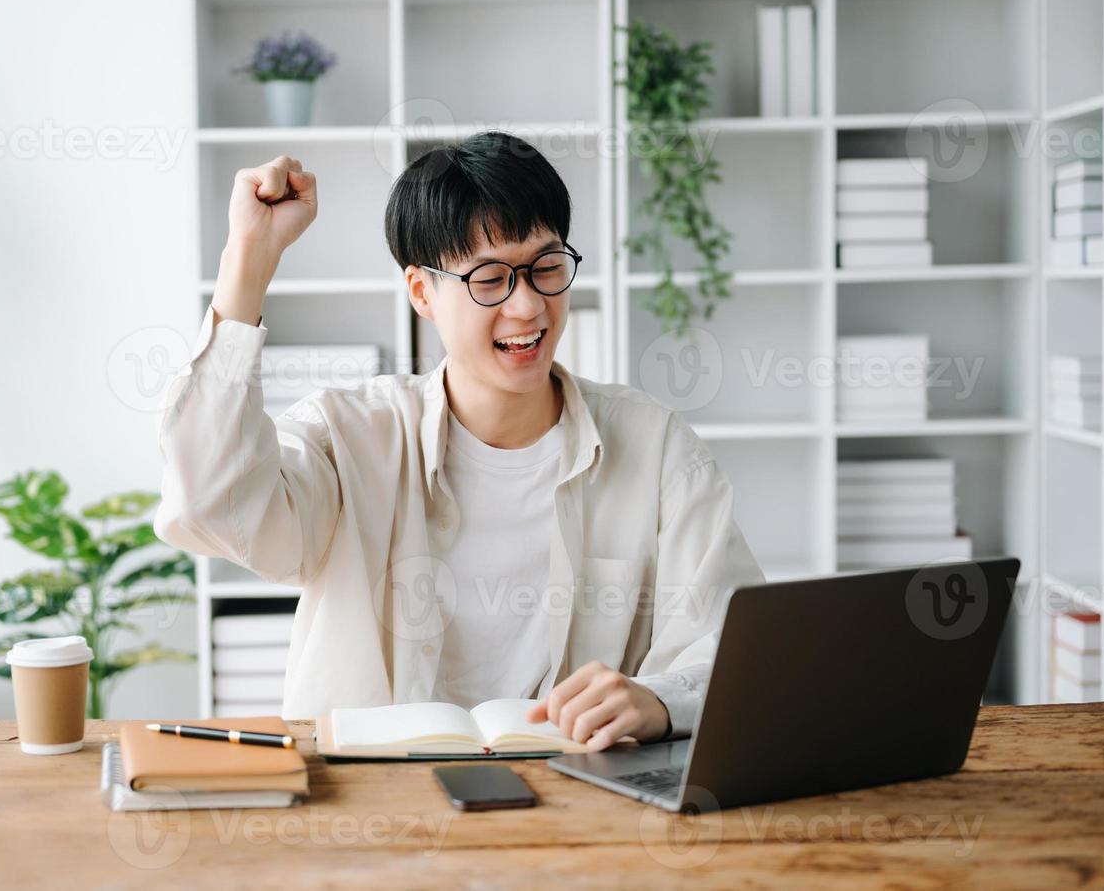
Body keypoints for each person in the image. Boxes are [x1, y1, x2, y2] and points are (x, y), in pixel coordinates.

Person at [155, 131, 763, 751]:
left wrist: (657, 699)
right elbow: (210, 507)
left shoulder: (655, 446)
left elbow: (735, 649)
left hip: (586, 806)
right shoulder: (349, 437)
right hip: (380, 820)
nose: (528, 306)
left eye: (547, 267)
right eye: (490, 279)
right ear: (422, 293)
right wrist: (248, 260)